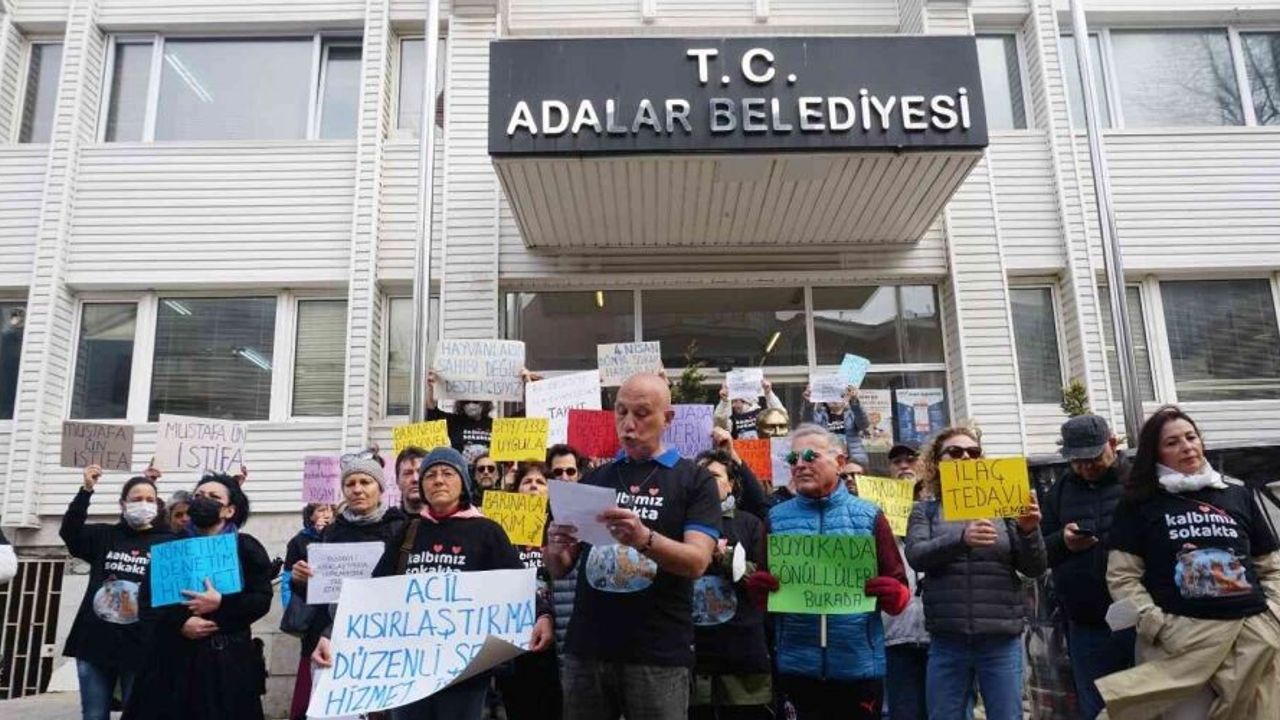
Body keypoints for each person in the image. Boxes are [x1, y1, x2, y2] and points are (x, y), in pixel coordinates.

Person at [312, 447, 554, 720]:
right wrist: (331, 634)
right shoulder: (408, 531)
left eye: (447, 473)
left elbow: (516, 584)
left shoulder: (487, 531)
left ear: (463, 483)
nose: (438, 480)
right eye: (431, 475)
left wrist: (542, 615)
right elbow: (372, 595)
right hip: (408, 672)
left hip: (465, 672)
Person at [546, 373, 721, 720]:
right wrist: (554, 546)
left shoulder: (694, 480)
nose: (628, 423)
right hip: (588, 649)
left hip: (657, 653)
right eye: (621, 411)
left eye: (641, 413)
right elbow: (560, 567)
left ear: (667, 419)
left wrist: (643, 538)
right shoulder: (595, 478)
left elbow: (697, 561)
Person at [1097, 406, 1280, 719]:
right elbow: (1122, 576)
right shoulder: (1138, 503)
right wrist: (1157, 624)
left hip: (1252, 638)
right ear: (1155, 453)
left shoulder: (1237, 493)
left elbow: (1271, 565)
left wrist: (1272, 613)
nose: (1186, 446)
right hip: (1182, 642)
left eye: (1191, 437)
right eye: (1172, 442)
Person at [762, 424, 911, 720]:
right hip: (797, 668)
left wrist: (893, 593)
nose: (800, 464)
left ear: (840, 462)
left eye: (810, 456)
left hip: (857, 669)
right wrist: (761, 593)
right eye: (793, 459)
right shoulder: (776, 518)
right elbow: (765, 595)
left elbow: (899, 588)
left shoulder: (870, 516)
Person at [904, 427, 1046, 720]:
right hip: (948, 640)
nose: (966, 457)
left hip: (1000, 640)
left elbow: (1033, 568)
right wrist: (961, 539)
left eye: (974, 452)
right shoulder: (925, 512)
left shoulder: (1005, 508)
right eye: (955, 452)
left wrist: (1029, 531)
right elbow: (917, 556)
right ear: (938, 463)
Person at [126, 474, 274, 720]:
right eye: (198, 496)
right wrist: (180, 623)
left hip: (227, 667)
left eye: (214, 497)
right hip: (173, 667)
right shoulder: (170, 548)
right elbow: (148, 602)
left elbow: (261, 600)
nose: (203, 500)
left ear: (229, 510)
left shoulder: (246, 547)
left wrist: (222, 604)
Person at [1037, 414, 1132, 720]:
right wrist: (1063, 542)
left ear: (1112, 444)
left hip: (1140, 617)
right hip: (1087, 622)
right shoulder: (1060, 491)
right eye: (1077, 461)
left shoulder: (1138, 483)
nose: (1086, 467)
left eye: (1093, 458)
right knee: (1096, 708)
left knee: (1148, 703)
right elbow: (1039, 552)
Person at [60, 465, 170, 720]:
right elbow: (70, 532)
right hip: (95, 642)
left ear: (157, 506)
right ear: (123, 504)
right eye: (137, 499)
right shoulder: (103, 536)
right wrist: (86, 490)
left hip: (141, 646)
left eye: (150, 499)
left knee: (137, 714)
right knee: (94, 714)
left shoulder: (167, 543)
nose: (144, 504)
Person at [690, 449, 773, 720]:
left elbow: (766, 581)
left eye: (714, 476)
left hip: (740, 654)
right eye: (699, 475)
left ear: (731, 485)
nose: (705, 481)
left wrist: (727, 559)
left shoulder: (750, 524)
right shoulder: (679, 523)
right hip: (691, 656)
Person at [496, 462, 562, 720]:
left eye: (540, 482)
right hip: (514, 634)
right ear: (516, 490)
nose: (533, 486)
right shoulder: (500, 532)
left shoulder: (560, 529)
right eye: (527, 481)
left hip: (553, 632)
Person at [881, 444, 930, 720]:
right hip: (896, 632)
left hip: (942, 634)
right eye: (897, 461)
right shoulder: (876, 513)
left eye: (911, 460)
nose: (903, 466)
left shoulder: (945, 506)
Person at [282, 503, 334, 720]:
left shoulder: (341, 534)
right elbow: (288, 580)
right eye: (321, 510)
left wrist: (329, 536)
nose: (327, 514)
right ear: (310, 516)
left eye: (330, 510)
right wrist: (291, 610)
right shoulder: (298, 542)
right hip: (312, 616)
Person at [547, 444, 586, 656]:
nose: (564, 477)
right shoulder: (537, 514)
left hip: (577, 610)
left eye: (570, 471)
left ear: (579, 475)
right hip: (546, 609)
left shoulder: (591, 510)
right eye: (558, 472)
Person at [426, 369, 496, 462]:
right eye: (466, 401)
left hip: (485, 469)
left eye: (476, 401)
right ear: (461, 404)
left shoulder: (494, 425)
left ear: (484, 403)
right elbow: (432, 411)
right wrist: (432, 387)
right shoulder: (454, 422)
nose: (471, 405)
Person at [710, 427, 773, 520]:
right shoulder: (689, 517)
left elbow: (760, 508)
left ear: (730, 484)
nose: (707, 481)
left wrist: (733, 456)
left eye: (715, 475)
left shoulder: (745, 523)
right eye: (701, 474)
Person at [808, 386, 871, 465]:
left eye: (839, 396)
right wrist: (810, 403)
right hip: (828, 461)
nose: (835, 399)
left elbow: (864, 424)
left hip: (853, 461)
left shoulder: (853, 414)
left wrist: (854, 402)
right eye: (831, 396)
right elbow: (810, 426)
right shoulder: (820, 416)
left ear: (846, 399)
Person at [716, 378, 785, 439]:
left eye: (735, 401)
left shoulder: (763, 415)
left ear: (746, 401)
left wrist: (769, 393)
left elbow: (781, 416)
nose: (733, 405)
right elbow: (720, 421)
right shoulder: (732, 419)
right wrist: (724, 401)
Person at [395, 445, 429, 514]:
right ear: (397, 481)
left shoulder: (447, 520)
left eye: (420, 472)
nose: (415, 479)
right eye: (408, 473)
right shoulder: (387, 520)